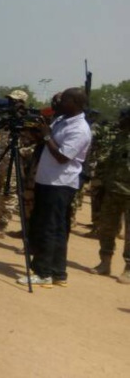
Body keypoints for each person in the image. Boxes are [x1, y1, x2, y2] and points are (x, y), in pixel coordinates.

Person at [18, 88, 92, 288]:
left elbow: (62, 157)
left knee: (48, 228)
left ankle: (43, 273)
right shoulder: (62, 120)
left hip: (59, 184)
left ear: (75, 103)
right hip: (48, 181)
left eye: (63, 99)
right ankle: (58, 272)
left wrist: (46, 136)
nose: (58, 102)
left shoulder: (80, 129)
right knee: (57, 229)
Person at [89, 108, 130, 284]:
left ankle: (128, 269)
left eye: (123, 118)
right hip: (112, 190)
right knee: (107, 228)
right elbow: (107, 161)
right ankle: (105, 262)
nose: (119, 121)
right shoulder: (119, 137)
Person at [0, 90, 28, 238]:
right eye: (9, 100)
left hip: (13, 162)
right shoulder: (4, 116)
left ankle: (1, 226)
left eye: (14, 101)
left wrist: (22, 152)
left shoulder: (27, 121)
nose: (11, 103)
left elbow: (36, 143)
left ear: (22, 102)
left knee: (9, 194)